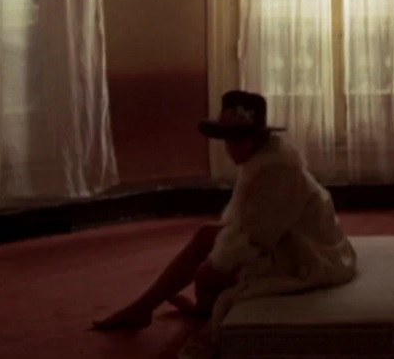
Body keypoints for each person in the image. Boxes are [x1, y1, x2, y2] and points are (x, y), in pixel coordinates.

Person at [93, 90, 358, 355]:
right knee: (207, 235)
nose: (230, 147)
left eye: (237, 139)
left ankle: (189, 309)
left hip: (309, 255)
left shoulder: (278, 172)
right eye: (227, 139)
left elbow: (257, 240)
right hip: (284, 239)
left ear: (257, 137)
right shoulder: (262, 162)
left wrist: (209, 271)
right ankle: (144, 307)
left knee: (209, 270)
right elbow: (247, 226)